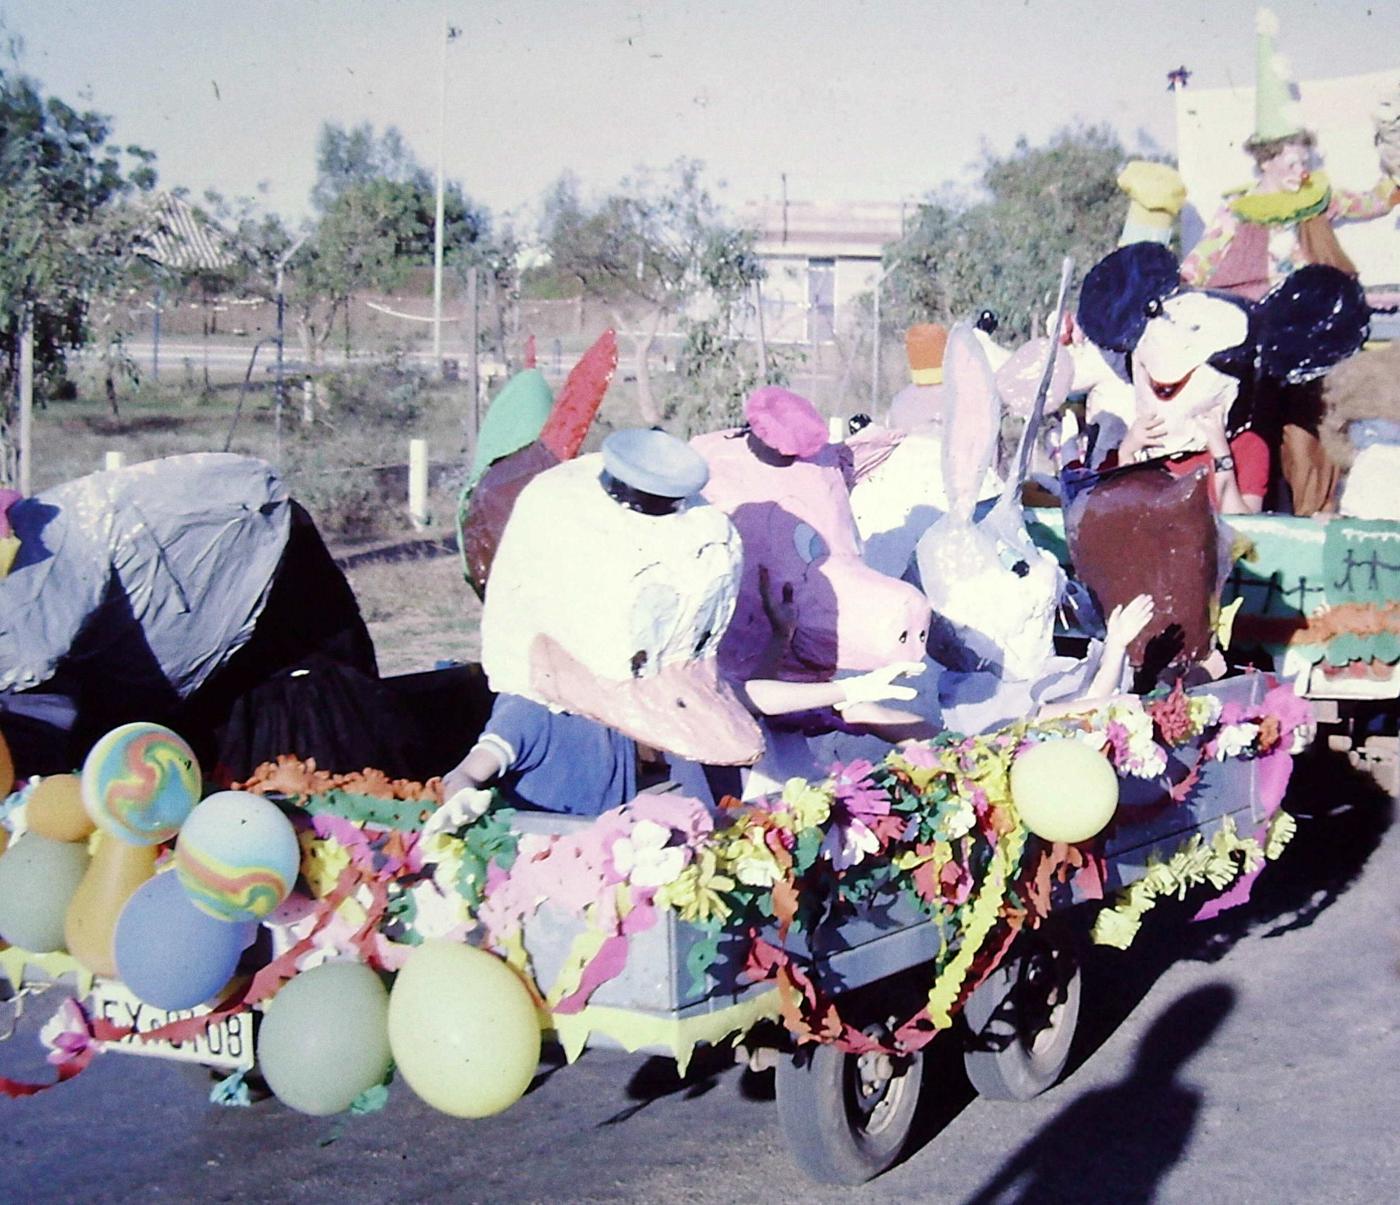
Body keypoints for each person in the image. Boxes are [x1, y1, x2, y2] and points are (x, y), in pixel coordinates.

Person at [1177, 8, 1400, 513]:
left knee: (1310, 435)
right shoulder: (1239, 209)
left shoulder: (1321, 200)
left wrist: (1394, 159)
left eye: (1305, 160)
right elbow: (1201, 262)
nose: (1302, 169)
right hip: (1257, 341)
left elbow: (1377, 199)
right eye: (1293, 161)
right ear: (1268, 160)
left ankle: (1314, 512)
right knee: (1253, 432)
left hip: (1311, 343)